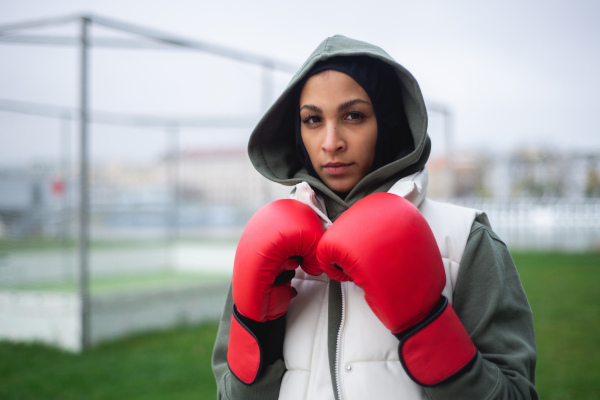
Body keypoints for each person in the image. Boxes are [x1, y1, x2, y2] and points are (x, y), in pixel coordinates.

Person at [212, 35, 538, 400]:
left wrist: (427, 326)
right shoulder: (271, 243)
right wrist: (258, 331)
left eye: (354, 116)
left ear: (388, 120)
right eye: (313, 119)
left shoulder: (463, 239)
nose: (331, 142)